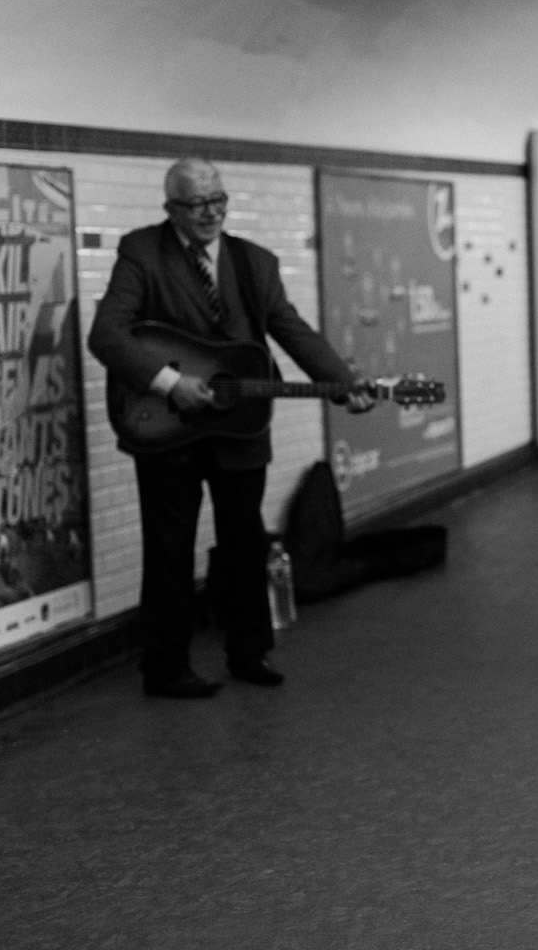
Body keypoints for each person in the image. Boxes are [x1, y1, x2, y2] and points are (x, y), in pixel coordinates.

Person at [89, 158, 375, 700]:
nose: (211, 212)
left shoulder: (254, 263)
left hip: (240, 429)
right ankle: (166, 668)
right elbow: (107, 336)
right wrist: (170, 383)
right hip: (164, 428)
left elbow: (292, 330)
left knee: (245, 542)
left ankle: (249, 652)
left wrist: (342, 383)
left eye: (218, 199)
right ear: (171, 208)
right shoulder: (142, 252)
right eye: (197, 204)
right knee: (169, 548)